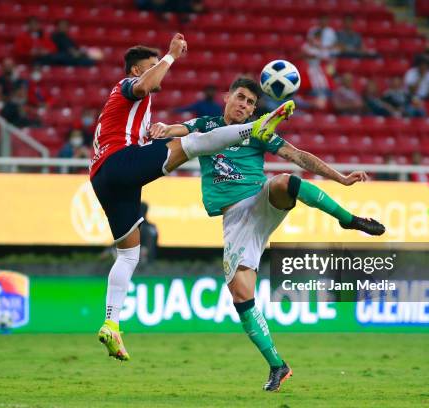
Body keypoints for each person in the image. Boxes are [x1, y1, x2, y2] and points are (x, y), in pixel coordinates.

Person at [149, 77, 385, 392]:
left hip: (261, 201)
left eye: (250, 103)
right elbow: (180, 129)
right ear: (227, 97)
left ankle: (348, 219)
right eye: (241, 98)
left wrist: (341, 178)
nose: (244, 105)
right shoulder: (207, 124)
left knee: (283, 181)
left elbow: (298, 155)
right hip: (235, 221)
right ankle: (277, 365)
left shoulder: (259, 132)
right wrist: (164, 127)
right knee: (241, 296)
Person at [93, 33, 296, 362]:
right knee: (196, 143)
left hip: (103, 178)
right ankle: (258, 126)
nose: (157, 71)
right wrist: (171, 56)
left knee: (128, 255)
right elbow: (144, 85)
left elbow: (146, 119)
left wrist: (161, 129)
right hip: (119, 163)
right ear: (134, 71)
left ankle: (111, 323)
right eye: (150, 66)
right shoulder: (128, 86)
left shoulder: (129, 107)